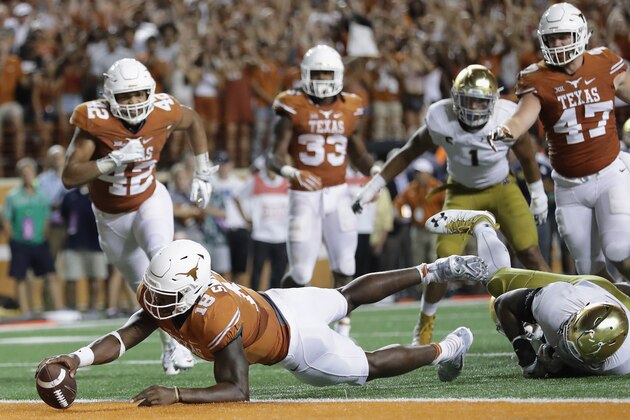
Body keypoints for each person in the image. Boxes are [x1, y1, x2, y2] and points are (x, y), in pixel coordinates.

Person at [37, 239, 488, 405]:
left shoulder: (214, 316)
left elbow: (237, 390)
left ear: (191, 292)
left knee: (365, 366)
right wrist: (77, 359)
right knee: (345, 296)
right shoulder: (169, 291)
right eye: (154, 292)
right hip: (278, 302)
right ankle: (432, 269)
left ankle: (446, 349)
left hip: (298, 341)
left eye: (166, 297)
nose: (155, 302)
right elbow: (131, 331)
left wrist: (176, 393)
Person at [354, 64, 549, 346]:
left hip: (501, 187)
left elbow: (528, 156)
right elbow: (409, 152)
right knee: (444, 260)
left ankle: (549, 314)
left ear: (492, 102)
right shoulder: (440, 117)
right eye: (467, 99)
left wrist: (537, 193)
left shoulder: (506, 116)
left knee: (530, 250)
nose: (472, 107)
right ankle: (425, 320)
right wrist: (374, 185)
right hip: (461, 191)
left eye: (480, 101)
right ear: (455, 98)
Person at [61, 58, 215, 375]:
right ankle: (170, 342)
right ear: (109, 97)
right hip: (111, 217)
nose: (133, 103)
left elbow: (194, 121)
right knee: (145, 291)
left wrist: (202, 171)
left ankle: (185, 342)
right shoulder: (95, 120)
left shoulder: (163, 110)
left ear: (151, 92)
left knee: (164, 262)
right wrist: (111, 161)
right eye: (125, 97)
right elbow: (69, 175)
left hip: (149, 198)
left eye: (139, 94)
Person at [485, 2, 630, 281]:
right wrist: (506, 131)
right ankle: (620, 317)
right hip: (569, 187)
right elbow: (522, 117)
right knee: (589, 272)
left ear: (580, 34)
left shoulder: (604, 62)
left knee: (619, 248)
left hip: (610, 173)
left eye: (563, 36)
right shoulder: (536, 77)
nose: (558, 43)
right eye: (552, 38)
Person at [426, 208, 630, 377]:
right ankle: (481, 224)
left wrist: (558, 366)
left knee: (547, 343)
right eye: (567, 337)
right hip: (588, 291)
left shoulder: (620, 364)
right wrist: (527, 359)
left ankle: (539, 334)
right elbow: (503, 304)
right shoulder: (556, 305)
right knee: (498, 282)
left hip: (612, 305)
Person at [267, 44, 380, 336]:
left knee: (345, 263)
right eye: (316, 74)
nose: (321, 80)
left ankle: (343, 326)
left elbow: (358, 153)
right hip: (303, 196)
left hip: (338, 193)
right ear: (304, 74)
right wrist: (292, 171)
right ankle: (278, 318)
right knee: (302, 272)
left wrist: (376, 171)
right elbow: (274, 156)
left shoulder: (350, 107)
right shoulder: (292, 105)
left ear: (339, 75)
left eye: (327, 73)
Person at [2, 158, 64, 317]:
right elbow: (6, 219)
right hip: (20, 242)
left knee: (51, 274)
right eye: (24, 172)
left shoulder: (42, 195)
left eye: (29, 172)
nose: (27, 175)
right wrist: (12, 239)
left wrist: (45, 236)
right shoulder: (12, 196)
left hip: (39, 241)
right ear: (20, 175)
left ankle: (59, 310)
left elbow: (47, 218)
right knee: (20, 277)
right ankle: (26, 311)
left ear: (34, 174)